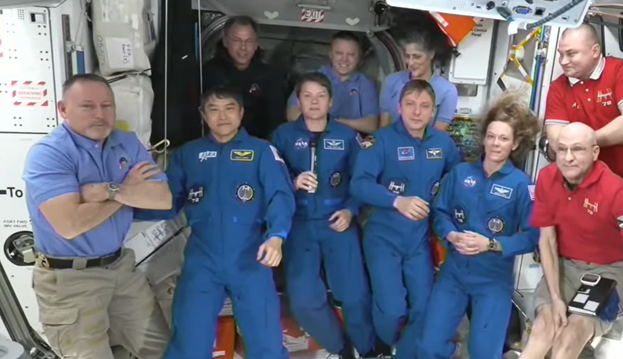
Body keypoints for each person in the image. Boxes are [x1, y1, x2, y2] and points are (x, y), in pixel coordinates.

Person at [21, 73, 172, 359]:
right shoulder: (49, 154)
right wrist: (127, 191)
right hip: (70, 280)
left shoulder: (126, 142)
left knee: (164, 351)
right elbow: (70, 224)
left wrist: (109, 190)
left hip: (121, 269)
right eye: (88, 106)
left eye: (106, 106)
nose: (99, 114)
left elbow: (162, 198)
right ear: (63, 110)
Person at [139, 86, 295, 359]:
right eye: (214, 109)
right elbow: (167, 203)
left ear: (241, 113)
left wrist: (276, 236)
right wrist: (123, 207)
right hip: (203, 260)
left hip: (250, 257)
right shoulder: (188, 155)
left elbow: (281, 197)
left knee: (267, 346)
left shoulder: (261, 151)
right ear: (203, 115)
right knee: (189, 344)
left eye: (229, 108)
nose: (222, 116)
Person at [272, 72, 388, 358]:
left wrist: (350, 211)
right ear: (298, 101)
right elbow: (268, 181)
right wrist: (292, 182)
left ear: (331, 101)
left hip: (338, 222)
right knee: (303, 301)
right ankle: (340, 347)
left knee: (355, 295)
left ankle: (369, 348)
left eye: (320, 96)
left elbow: (362, 181)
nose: (314, 102)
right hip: (298, 225)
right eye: (307, 96)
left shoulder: (347, 137)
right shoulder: (282, 136)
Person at [418, 92, 541, 359]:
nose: (496, 143)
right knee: (429, 347)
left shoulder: (522, 185)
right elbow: (440, 213)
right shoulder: (460, 173)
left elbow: (531, 236)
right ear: (484, 138)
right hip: (454, 274)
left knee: (484, 353)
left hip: (492, 280)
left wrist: (492, 244)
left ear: (515, 144)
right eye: (491, 136)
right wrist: (450, 234)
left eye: (504, 138)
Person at [351, 80, 462, 359]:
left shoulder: (443, 144)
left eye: (424, 106)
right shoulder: (381, 141)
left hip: (419, 241)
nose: (417, 112)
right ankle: (381, 345)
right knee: (393, 309)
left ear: (433, 111)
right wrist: (397, 201)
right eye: (410, 104)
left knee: (424, 308)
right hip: (383, 237)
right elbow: (359, 184)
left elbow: (458, 179)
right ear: (399, 107)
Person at [519, 122, 623, 359]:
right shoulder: (547, 177)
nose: (568, 157)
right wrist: (555, 298)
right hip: (565, 265)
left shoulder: (617, 191)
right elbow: (547, 241)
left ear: (594, 152)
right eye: (562, 149)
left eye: (577, 149)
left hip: (609, 272)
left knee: (571, 335)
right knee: (544, 327)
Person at [544, 24, 623, 190]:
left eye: (571, 53)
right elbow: (556, 140)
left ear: (595, 51)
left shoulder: (621, 71)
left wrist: (583, 143)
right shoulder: (557, 88)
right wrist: (586, 145)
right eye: (561, 54)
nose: (563, 61)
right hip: (584, 187)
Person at [203, 15, 288, 139]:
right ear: (225, 42)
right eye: (237, 40)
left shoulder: (269, 75)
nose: (243, 47)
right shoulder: (210, 72)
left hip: (258, 144)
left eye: (248, 41)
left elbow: (276, 119)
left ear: (256, 44)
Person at [286, 31, 379, 134]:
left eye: (351, 54)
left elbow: (371, 125)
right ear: (330, 54)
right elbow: (292, 114)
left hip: (350, 139)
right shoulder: (311, 78)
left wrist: (334, 122)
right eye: (339, 53)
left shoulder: (365, 84)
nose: (344, 59)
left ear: (359, 57)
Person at [379, 31, 458, 132]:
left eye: (417, 56)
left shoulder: (447, 90)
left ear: (431, 54)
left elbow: (438, 133)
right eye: (407, 56)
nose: (411, 62)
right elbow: (384, 126)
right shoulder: (391, 81)